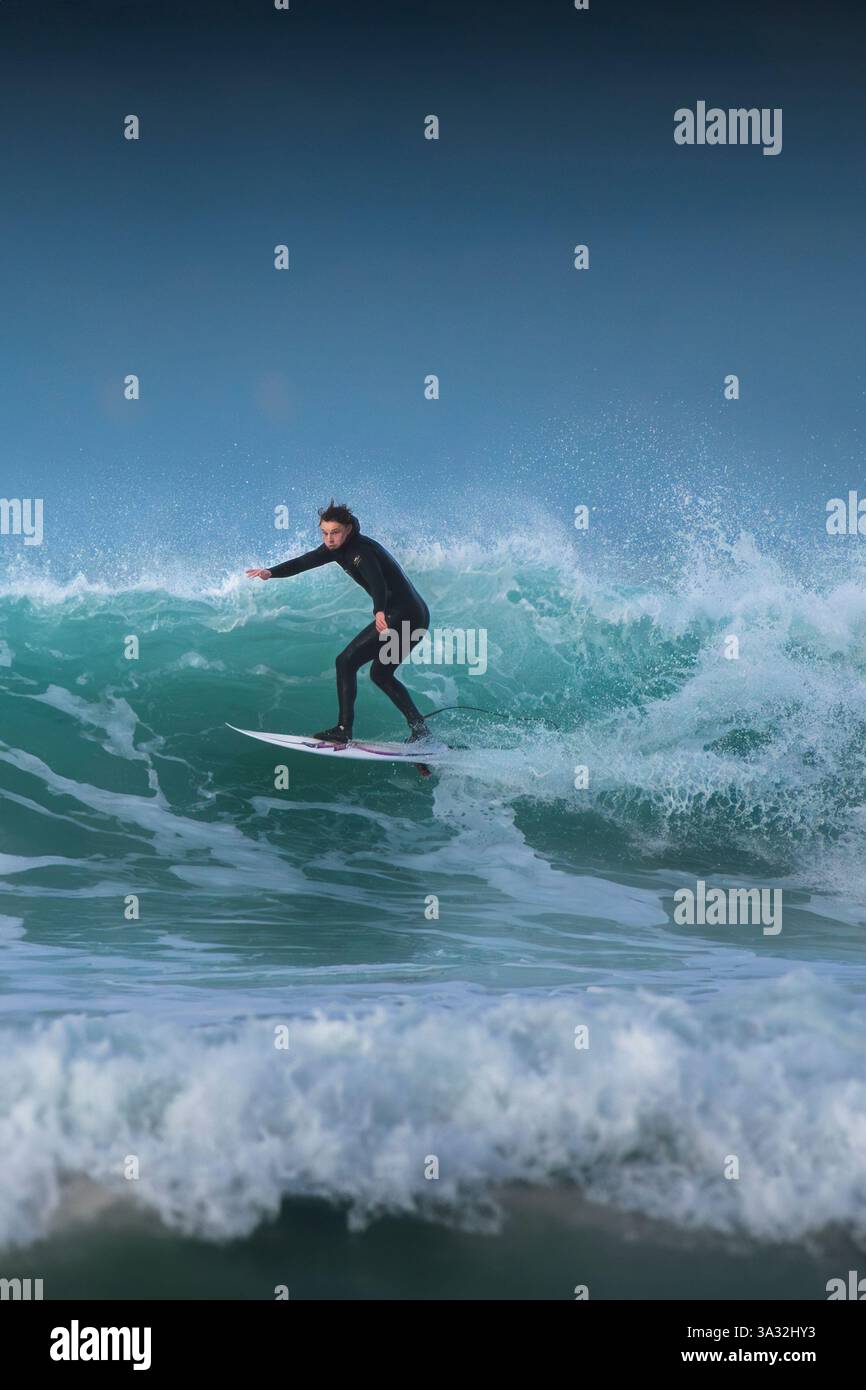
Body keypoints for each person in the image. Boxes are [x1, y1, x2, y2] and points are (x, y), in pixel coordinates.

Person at [246, 502, 431, 743]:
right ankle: (420, 729)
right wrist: (271, 572)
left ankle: (344, 729)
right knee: (381, 674)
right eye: (324, 533)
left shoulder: (360, 551)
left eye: (335, 532)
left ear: (348, 529)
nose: (329, 539)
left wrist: (379, 611)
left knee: (345, 662)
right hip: (416, 614)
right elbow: (302, 563)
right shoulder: (335, 548)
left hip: (401, 615)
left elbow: (378, 582)